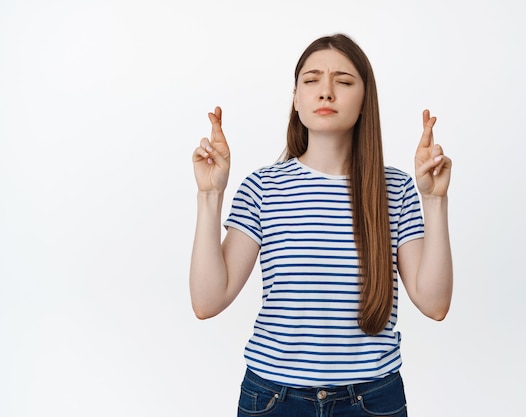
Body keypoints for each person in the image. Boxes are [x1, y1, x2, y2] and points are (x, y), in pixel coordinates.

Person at [190, 33, 453, 417]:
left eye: (343, 81)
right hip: (272, 400)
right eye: (311, 81)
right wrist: (210, 195)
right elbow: (207, 302)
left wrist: (434, 200)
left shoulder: (395, 189)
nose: (326, 92)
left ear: (365, 101)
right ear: (296, 100)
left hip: (372, 401)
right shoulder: (263, 187)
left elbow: (435, 304)